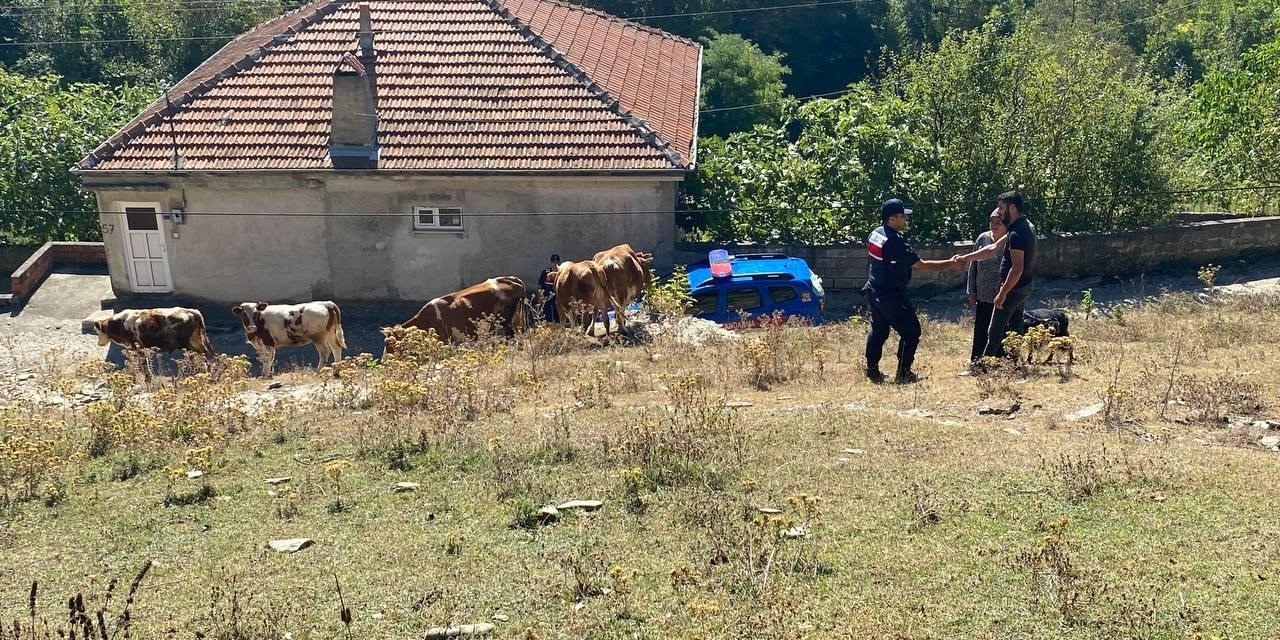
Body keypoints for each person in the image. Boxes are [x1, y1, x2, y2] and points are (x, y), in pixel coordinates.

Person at [863, 199, 964, 384]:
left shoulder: (875, 233)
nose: (906, 220)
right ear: (892, 219)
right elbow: (922, 266)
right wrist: (951, 263)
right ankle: (903, 373)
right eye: (902, 216)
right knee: (911, 332)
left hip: (874, 288)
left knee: (879, 331)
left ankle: (872, 369)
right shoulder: (895, 241)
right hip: (890, 294)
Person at [955, 190, 1038, 360]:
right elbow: (992, 249)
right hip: (1023, 287)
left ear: (1012, 208)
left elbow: (1017, 269)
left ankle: (983, 367)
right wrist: (965, 258)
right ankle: (1015, 363)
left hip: (1014, 289)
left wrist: (1002, 294)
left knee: (994, 332)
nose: (999, 212)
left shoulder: (1016, 234)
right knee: (1015, 327)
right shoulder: (1025, 226)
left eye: (1001, 208)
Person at [966, 209, 1007, 363]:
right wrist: (972, 291)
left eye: (998, 222)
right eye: (992, 222)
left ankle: (999, 362)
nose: (994, 225)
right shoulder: (983, 239)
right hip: (984, 293)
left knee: (1000, 329)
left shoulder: (1010, 241)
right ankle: (976, 361)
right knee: (981, 329)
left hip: (1003, 294)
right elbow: (973, 266)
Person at [538, 254, 561, 323]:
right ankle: (548, 323)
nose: (555, 264)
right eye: (553, 262)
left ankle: (557, 323)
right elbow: (541, 285)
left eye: (557, 262)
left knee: (557, 309)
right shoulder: (546, 272)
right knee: (547, 310)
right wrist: (540, 296)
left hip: (558, 295)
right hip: (547, 294)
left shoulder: (561, 273)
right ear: (551, 262)